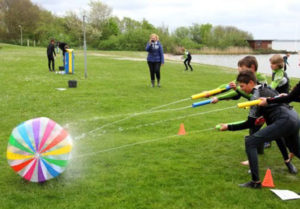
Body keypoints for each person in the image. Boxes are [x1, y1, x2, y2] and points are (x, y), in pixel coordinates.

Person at [219, 70, 299, 189]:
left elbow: (250, 123)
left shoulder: (256, 96)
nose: (242, 89)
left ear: (251, 82)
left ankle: (255, 182)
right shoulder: (266, 88)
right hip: (295, 118)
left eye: (242, 86)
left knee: (250, 142)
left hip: (285, 120)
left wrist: (229, 127)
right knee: (295, 149)